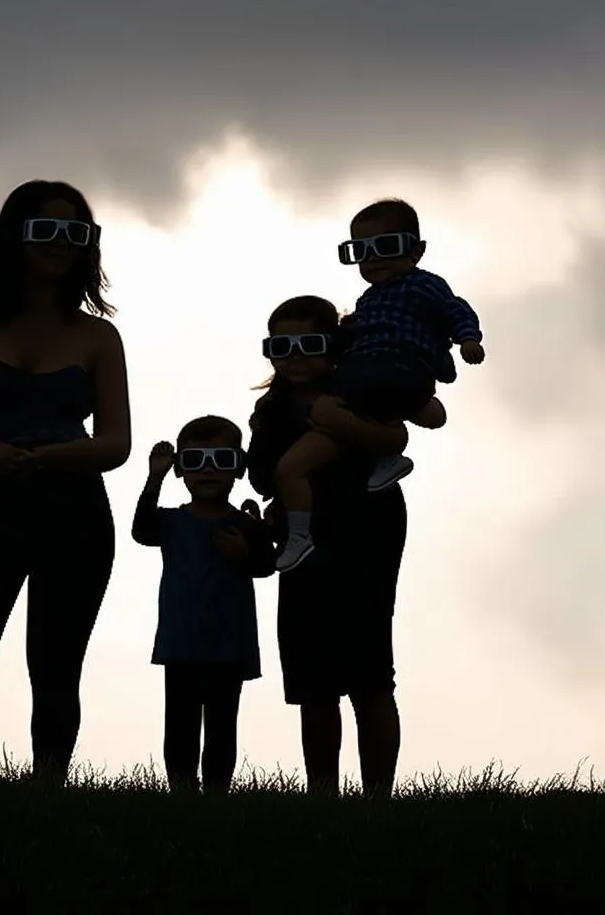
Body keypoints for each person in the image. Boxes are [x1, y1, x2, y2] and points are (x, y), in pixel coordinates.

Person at [0, 179, 131, 780]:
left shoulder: (98, 336)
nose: (61, 244)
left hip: (75, 514)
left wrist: (59, 458)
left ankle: (47, 795)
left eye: (76, 233)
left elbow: (117, 441)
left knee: (57, 668)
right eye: (46, 230)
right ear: (14, 236)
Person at [248, 295, 444, 800]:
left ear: (334, 347)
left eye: (309, 344)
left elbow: (412, 424)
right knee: (312, 677)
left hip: (366, 528)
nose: (293, 355)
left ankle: (378, 796)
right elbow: (263, 475)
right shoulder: (269, 410)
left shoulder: (361, 388)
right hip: (303, 539)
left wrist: (342, 424)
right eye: (280, 345)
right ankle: (322, 795)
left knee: (370, 668)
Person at [273, 198, 484, 572]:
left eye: (386, 247)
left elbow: (456, 309)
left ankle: (397, 438)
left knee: (339, 406)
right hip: (367, 375)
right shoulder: (368, 301)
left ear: (416, 250)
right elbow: (352, 335)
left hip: (396, 368)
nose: (373, 259)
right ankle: (304, 531)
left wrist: (468, 338)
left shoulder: (424, 286)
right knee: (297, 457)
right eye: (360, 251)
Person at [131, 416, 276, 794]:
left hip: (229, 644)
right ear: (182, 471)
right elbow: (140, 530)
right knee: (179, 723)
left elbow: (266, 565)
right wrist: (154, 478)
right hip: (182, 643)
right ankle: (180, 788)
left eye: (221, 461)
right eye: (195, 461)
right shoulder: (171, 522)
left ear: (238, 469)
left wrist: (247, 552)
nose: (208, 471)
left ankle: (216, 792)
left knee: (222, 723)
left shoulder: (246, 525)